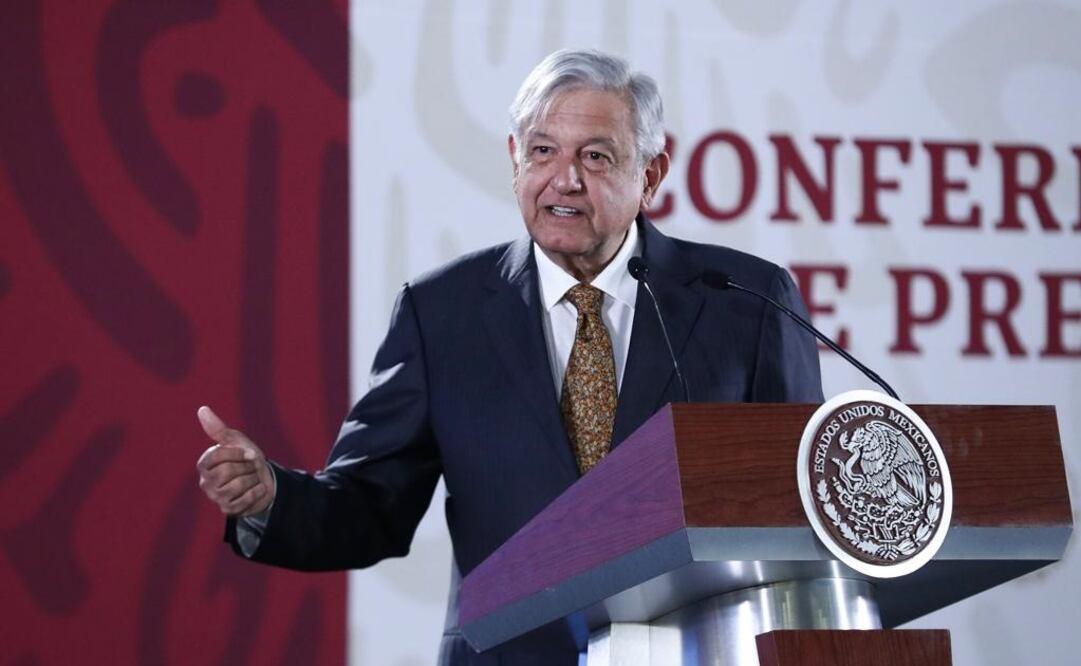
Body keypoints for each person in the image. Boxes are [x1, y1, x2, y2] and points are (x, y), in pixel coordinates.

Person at [196, 48, 823, 665]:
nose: (565, 180)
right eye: (543, 151)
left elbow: (803, 511)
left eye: (596, 157)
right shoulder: (442, 313)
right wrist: (270, 498)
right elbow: (370, 506)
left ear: (651, 175)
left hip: (696, 650)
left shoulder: (745, 302)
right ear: (513, 159)